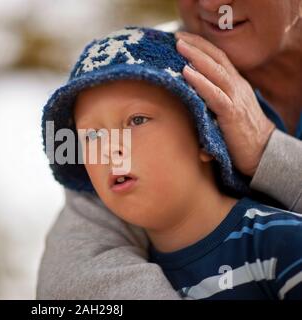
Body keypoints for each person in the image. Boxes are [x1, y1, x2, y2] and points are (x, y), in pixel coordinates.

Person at [37, 0, 302, 299]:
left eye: (137, 120)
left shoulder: (283, 243)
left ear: (205, 138)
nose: (212, 3)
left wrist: (267, 151)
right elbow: (71, 283)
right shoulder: (131, 59)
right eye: (92, 136)